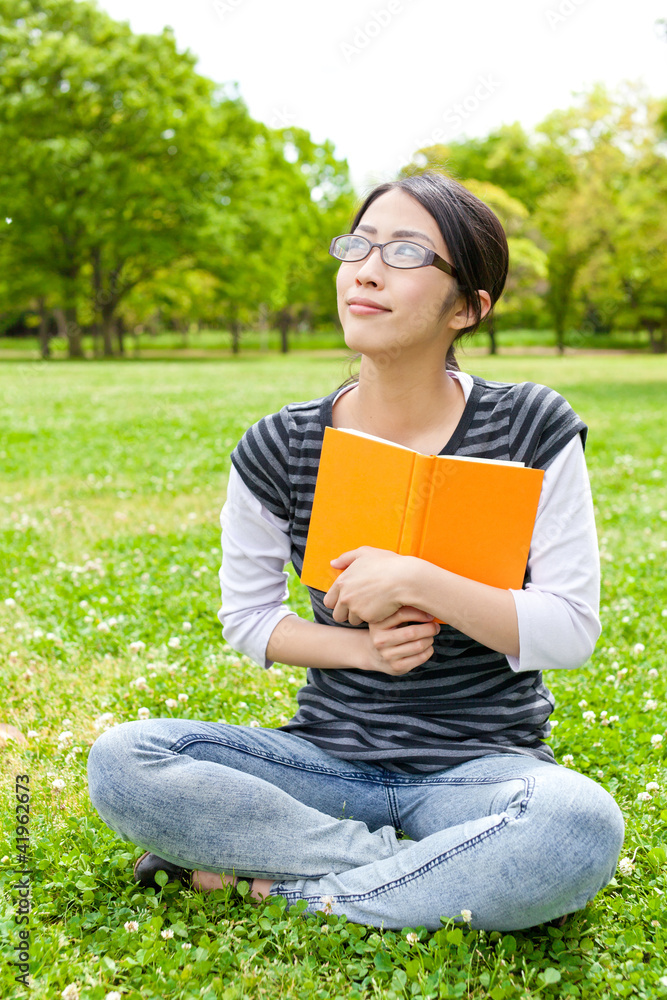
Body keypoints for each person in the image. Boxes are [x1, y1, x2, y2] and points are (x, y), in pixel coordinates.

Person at [87, 171, 624, 931]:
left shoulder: (530, 425)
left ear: (468, 307)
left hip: (480, 771)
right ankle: (415, 868)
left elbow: (569, 630)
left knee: (578, 825)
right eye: (359, 245)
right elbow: (248, 618)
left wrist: (419, 581)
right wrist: (366, 654)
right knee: (125, 760)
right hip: (324, 763)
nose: (366, 269)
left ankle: (287, 884)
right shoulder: (279, 445)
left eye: (405, 252)